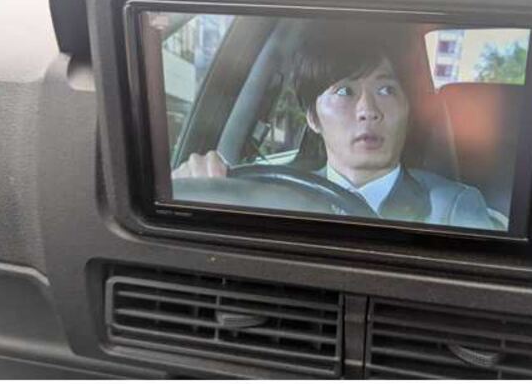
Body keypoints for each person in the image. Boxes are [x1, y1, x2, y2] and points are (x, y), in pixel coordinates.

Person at [173, 27, 502, 231]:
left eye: (386, 90)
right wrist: (195, 189)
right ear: (312, 118)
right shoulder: (268, 196)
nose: (368, 110)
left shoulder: (452, 207)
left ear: (407, 110)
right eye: (345, 91)